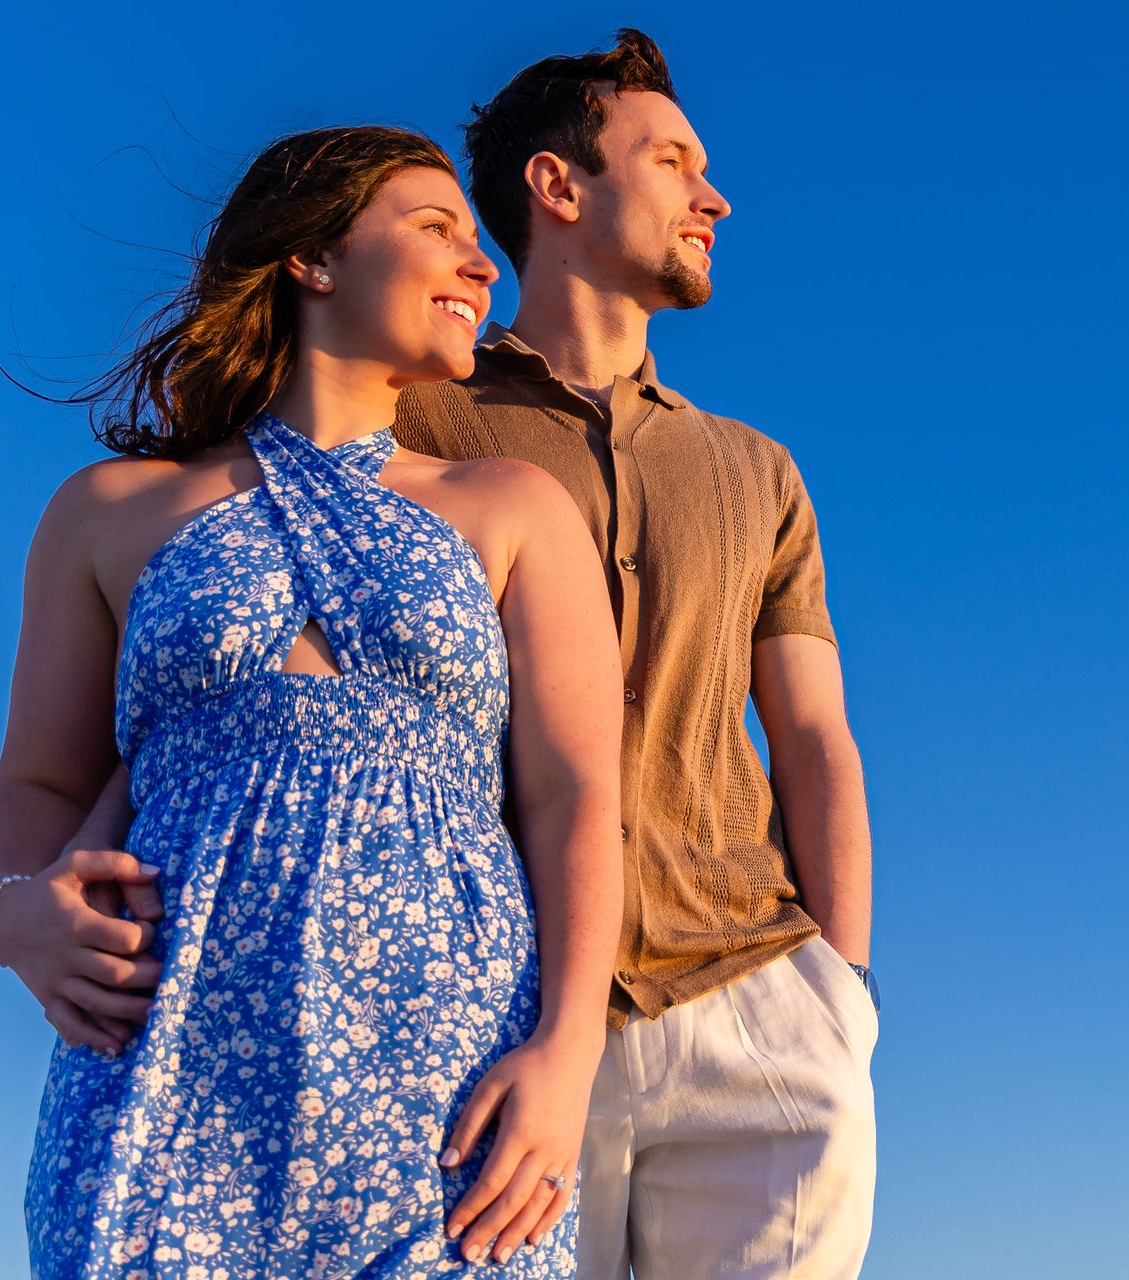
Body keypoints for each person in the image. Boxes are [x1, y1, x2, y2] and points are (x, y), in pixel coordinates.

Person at [0, 125, 623, 1276]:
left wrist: (569, 1053)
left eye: (482, 244)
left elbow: (577, 796)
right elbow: (36, 784)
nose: (483, 266)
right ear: (311, 259)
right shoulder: (109, 509)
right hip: (166, 1069)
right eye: (438, 230)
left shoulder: (511, 503)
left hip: (451, 1090)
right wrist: (12, 916)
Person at [392, 30, 878, 1280]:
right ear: (558, 188)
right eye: (672, 160)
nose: (712, 196)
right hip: (503, 1015)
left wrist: (844, 989)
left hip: (760, 1006)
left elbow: (814, 734)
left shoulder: (757, 469)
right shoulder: (416, 422)